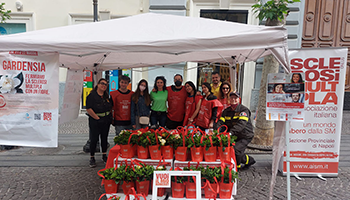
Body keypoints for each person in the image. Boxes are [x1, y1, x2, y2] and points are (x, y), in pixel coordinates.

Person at [216, 92, 256, 169]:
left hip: (245, 135)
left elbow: (241, 124)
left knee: (236, 150)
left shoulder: (243, 110)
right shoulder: (226, 111)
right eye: (231, 98)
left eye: (235, 98)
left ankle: (237, 166)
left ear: (239, 99)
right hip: (234, 135)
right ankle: (246, 160)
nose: (233, 99)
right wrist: (216, 131)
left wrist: (230, 133)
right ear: (229, 99)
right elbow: (220, 122)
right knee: (229, 149)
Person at [86, 78, 113, 168]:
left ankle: (104, 155)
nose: (104, 85)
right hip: (95, 120)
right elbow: (89, 108)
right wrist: (97, 118)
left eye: (105, 84)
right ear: (98, 84)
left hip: (106, 120)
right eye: (102, 83)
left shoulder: (106, 96)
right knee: (94, 139)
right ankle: (92, 157)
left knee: (104, 138)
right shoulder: (92, 96)